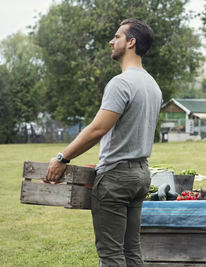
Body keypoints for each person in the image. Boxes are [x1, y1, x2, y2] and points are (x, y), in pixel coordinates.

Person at [45, 18, 162, 266]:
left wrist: (62, 157)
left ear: (131, 43)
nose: (111, 41)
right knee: (132, 251)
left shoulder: (121, 83)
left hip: (116, 179)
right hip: (141, 174)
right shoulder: (152, 84)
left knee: (111, 255)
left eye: (117, 36)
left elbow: (98, 129)